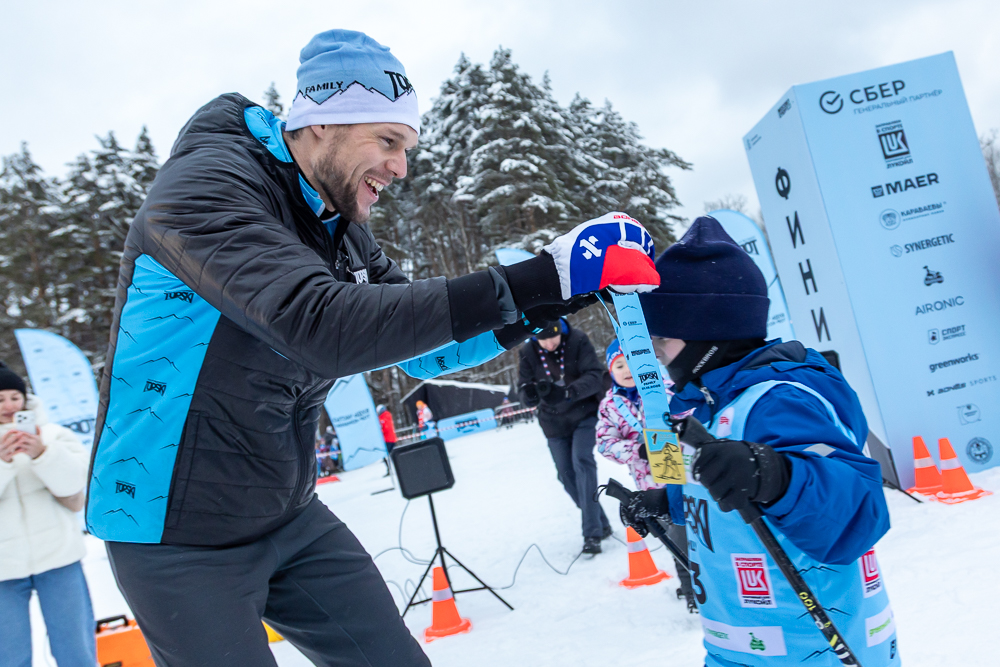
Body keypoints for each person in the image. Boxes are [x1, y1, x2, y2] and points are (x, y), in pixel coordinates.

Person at [84, 28, 660, 667]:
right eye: (387, 141)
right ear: (321, 123)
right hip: (176, 536)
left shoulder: (340, 233)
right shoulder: (206, 189)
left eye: (407, 147)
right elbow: (321, 326)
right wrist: (539, 275)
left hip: (287, 513)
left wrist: (544, 306)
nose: (401, 168)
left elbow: (420, 348)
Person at [620, 217, 897, 666]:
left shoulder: (777, 400)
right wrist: (668, 501)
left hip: (811, 650)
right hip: (740, 646)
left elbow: (859, 511)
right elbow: (725, 494)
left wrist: (776, 475)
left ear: (707, 336)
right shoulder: (711, 407)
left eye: (663, 340)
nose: (657, 354)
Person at [0, 365, 96, 667]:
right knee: (9, 656)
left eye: (15, 397)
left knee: (76, 651)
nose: (9, 406)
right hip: (2, 569)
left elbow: (75, 484)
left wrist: (43, 454)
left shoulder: (54, 435)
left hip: (59, 558)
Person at [595, 340, 694, 611]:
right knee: (677, 538)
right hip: (651, 485)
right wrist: (636, 449)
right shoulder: (610, 406)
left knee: (698, 532)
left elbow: (692, 415)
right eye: (619, 364)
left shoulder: (666, 388)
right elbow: (604, 442)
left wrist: (677, 432)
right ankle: (691, 592)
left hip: (685, 475)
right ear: (610, 370)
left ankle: (712, 584)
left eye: (632, 361)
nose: (627, 369)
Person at [519, 319, 612, 554]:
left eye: (553, 337)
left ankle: (592, 534)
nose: (549, 344)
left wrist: (569, 392)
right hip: (553, 424)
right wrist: (528, 395)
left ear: (561, 331)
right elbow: (523, 385)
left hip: (584, 414)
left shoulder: (578, 340)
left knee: (582, 462)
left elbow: (595, 375)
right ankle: (600, 521)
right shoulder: (527, 351)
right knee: (566, 475)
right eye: (542, 339)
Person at [377, 404, 396, 476]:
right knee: (389, 455)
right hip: (389, 439)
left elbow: (386, 428)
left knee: (386, 455)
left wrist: (381, 431)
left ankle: (390, 469)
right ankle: (391, 468)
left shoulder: (383, 418)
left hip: (388, 439)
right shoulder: (386, 417)